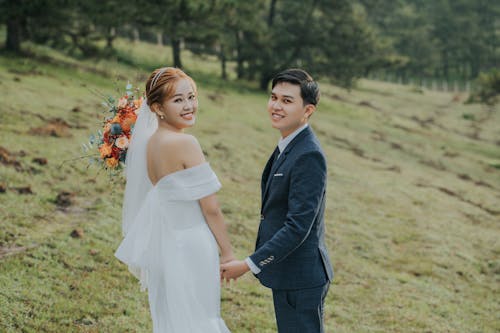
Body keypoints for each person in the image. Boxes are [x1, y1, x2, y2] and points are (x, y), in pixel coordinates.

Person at [115, 67, 233, 332]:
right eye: (178, 100)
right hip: (191, 243)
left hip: (167, 244)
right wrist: (227, 252)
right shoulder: (185, 143)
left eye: (191, 97)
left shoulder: (149, 143)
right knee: (200, 317)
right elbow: (211, 208)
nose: (189, 106)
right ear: (157, 107)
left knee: (174, 318)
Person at [221, 68, 334, 333]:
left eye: (287, 101)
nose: (276, 106)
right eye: (274, 98)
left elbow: (298, 227)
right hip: (289, 273)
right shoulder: (289, 143)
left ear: (308, 111)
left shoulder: (309, 155)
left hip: (302, 279)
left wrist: (248, 265)